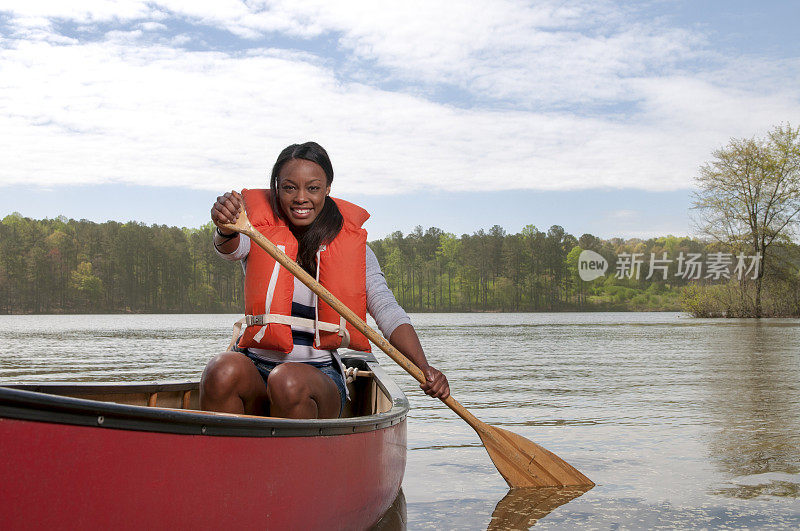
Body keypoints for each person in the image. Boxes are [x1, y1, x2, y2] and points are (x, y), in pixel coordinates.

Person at [201, 141, 449, 419]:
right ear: (276, 188)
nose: (301, 198)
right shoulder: (255, 232)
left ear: (328, 188)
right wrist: (224, 226)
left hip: (316, 378)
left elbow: (387, 310)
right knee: (220, 370)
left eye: (313, 188)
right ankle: (230, 458)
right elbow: (229, 247)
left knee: (287, 381)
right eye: (289, 187)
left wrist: (425, 367)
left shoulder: (356, 251)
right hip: (255, 367)